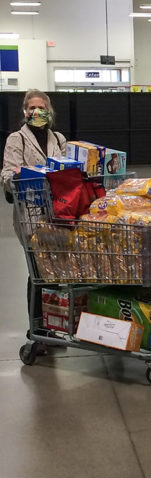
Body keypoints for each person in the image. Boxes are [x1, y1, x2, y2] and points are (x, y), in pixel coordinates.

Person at [1, 89, 67, 350]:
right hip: (30, 216)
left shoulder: (59, 139)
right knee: (38, 274)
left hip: (58, 214)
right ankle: (37, 330)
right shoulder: (17, 139)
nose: (37, 112)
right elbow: (6, 174)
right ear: (25, 111)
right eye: (32, 108)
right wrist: (17, 176)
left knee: (55, 273)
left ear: (49, 111)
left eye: (41, 108)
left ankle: (52, 327)